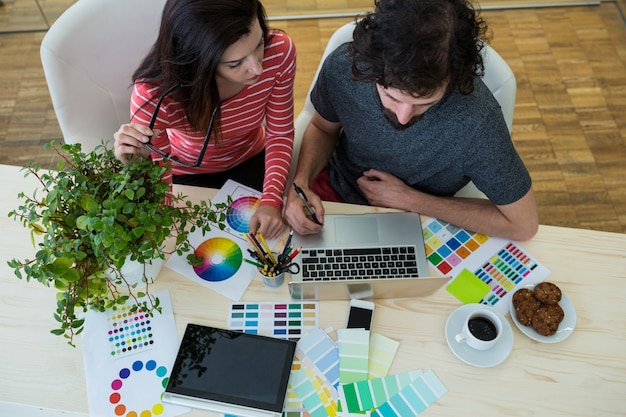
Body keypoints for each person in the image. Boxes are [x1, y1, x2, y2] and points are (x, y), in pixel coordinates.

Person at [284, 0, 539, 241]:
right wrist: (300, 184)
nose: (403, 116)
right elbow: (322, 127)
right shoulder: (345, 67)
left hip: (424, 221)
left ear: (456, 76)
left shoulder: (478, 120)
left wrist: (410, 200)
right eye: (390, 96)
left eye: (425, 103)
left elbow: (523, 224)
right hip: (333, 197)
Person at [113, 0, 295, 239]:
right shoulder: (153, 93)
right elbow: (159, 175)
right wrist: (138, 165)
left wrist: (271, 200)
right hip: (183, 173)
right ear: (197, 61)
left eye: (259, 42)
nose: (257, 69)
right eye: (235, 63)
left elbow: (279, 133)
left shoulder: (279, 52)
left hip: (251, 159)